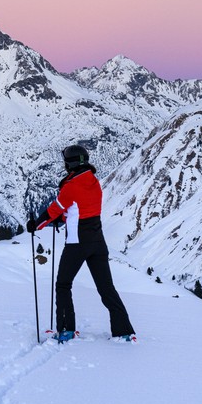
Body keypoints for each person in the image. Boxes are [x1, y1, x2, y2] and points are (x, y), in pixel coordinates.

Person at [28, 144, 137, 343]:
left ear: (69, 164)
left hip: (77, 242)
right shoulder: (94, 182)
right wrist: (64, 218)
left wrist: (36, 225)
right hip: (98, 241)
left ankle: (66, 330)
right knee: (106, 288)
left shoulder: (71, 187)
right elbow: (79, 209)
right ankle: (124, 331)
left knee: (63, 285)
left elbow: (55, 210)